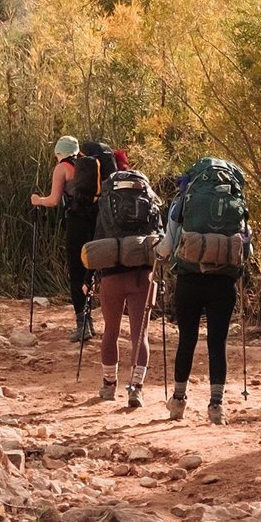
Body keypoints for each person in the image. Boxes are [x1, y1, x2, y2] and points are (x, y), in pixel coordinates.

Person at [162, 156, 252, 425]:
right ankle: (216, 407)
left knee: (187, 339)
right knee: (217, 342)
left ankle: (178, 402)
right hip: (224, 283)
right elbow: (247, 249)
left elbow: (169, 242)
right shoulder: (237, 201)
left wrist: (158, 255)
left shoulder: (184, 200)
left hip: (190, 279)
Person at [85, 166, 163, 408]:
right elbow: (160, 238)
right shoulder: (150, 200)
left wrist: (88, 278)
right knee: (140, 335)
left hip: (111, 276)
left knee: (111, 330)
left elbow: (97, 240)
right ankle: (136, 389)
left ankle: (109, 385)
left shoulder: (107, 204)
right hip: (142, 275)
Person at [29, 135, 102, 344]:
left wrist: (37, 200)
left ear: (59, 153)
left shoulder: (62, 168)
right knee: (90, 271)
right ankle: (90, 322)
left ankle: (82, 324)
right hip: (95, 223)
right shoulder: (91, 165)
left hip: (76, 223)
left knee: (76, 273)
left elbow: (53, 200)